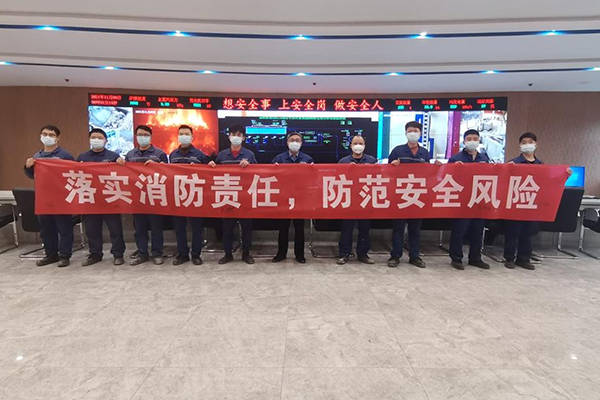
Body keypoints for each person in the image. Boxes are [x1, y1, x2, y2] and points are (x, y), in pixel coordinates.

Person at [24, 125, 75, 267]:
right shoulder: (37, 156)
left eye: (51, 135)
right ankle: (51, 254)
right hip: (43, 199)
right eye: (44, 134)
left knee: (64, 228)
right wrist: (28, 167)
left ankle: (64, 255)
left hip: (61, 198)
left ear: (58, 138)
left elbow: (74, 174)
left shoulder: (65, 155)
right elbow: (32, 175)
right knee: (46, 230)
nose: (47, 137)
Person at [76, 128, 126, 266]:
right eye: (93, 137)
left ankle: (118, 254)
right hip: (91, 199)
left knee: (115, 229)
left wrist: (121, 164)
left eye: (99, 138)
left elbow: (123, 175)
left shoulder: (113, 156)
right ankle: (95, 254)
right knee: (92, 230)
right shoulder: (82, 157)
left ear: (106, 140)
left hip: (110, 198)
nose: (96, 140)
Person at [209, 124, 257, 265]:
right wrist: (211, 165)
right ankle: (228, 254)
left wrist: (249, 166)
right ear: (229, 136)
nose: (236, 137)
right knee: (227, 228)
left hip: (244, 197)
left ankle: (246, 253)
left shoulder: (249, 155)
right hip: (227, 196)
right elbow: (214, 173)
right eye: (233, 134)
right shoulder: (222, 155)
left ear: (244, 138)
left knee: (247, 228)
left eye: (239, 135)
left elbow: (258, 173)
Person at [387, 121, 432, 269]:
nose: (413, 134)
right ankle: (395, 256)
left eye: (416, 131)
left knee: (415, 230)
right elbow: (386, 173)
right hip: (400, 195)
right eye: (410, 131)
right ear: (406, 133)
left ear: (420, 133)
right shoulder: (397, 150)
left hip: (417, 196)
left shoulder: (424, 152)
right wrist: (393, 166)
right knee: (398, 229)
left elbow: (429, 173)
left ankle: (414, 256)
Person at [447, 129, 491, 271]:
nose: (472, 141)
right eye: (469, 139)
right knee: (459, 230)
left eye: (475, 139)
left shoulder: (484, 158)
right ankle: (456, 258)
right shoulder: (455, 158)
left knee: (478, 230)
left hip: (479, 198)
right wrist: (455, 169)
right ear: (464, 141)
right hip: (462, 199)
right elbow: (447, 178)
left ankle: (475, 258)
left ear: (479, 140)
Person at [125, 125, 168, 266]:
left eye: (145, 135)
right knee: (140, 229)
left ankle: (157, 253)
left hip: (155, 196)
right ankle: (142, 253)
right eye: (140, 135)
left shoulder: (160, 154)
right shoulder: (130, 155)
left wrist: (157, 165)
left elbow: (167, 174)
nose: (142, 137)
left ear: (150, 136)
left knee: (156, 228)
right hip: (137, 197)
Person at [271, 132, 314, 264]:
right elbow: (270, 176)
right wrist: (274, 169)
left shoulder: (307, 159)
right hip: (283, 197)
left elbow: (313, 178)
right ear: (287, 142)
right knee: (283, 227)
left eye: (297, 140)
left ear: (301, 143)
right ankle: (281, 254)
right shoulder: (279, 158)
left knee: (299, 228)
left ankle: (299, 255)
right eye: (292, 140)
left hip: (300, 197)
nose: (294, 142)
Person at [169, 124, 208, 266]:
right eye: (181, 134)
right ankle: (182, 254)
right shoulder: (172, 155)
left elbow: (208, 174)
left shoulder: (200, 155)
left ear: (192, 137)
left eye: (186, 134)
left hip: (195, 195)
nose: (183, 136)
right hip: (177, 196)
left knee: (196, 228)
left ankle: (196, 254)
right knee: (179, 228)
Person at [503, 132, 542, 271]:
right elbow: (503, 181)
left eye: (530, 142)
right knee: (513, 232)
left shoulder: (541, 165)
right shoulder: (514, 163)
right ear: (519, 145)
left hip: (531, 203)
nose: (527, 145)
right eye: (524, 142)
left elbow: (547, 183)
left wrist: (565, 175)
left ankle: (524, 259)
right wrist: (507, 170)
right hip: (516, 202)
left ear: (536, 144)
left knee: (528, 233)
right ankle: (509, 258)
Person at [337, 135, 378, 265]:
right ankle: (344, 253)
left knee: (364, 229)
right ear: (351, 146)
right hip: (349, 200)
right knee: (346, 229)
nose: (358, 145)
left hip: (366, 199)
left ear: (364, 145)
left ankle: (363, 254)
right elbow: (336, 179)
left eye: (360, 143)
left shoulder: (372, 160)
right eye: (355, 143)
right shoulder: (343, 161)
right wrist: (348, 170)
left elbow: (379, 177)